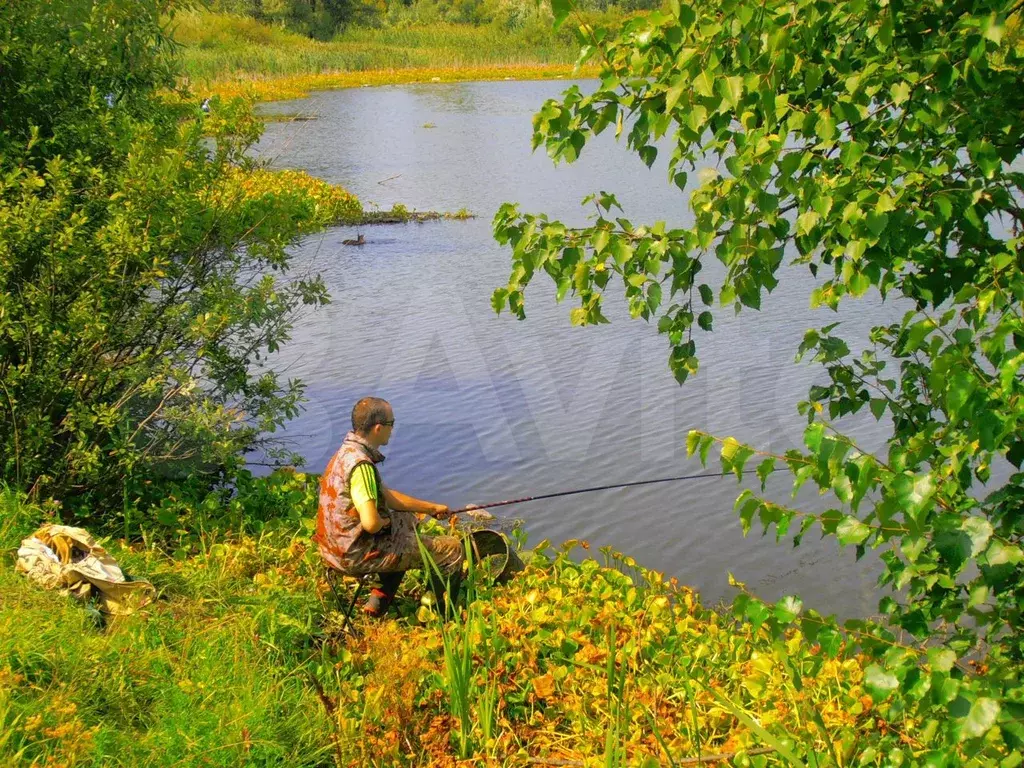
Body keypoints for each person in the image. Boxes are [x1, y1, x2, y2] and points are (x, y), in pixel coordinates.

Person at [313, 396, 465, 617]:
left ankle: (375, 606)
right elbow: (371, 523)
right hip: (354, 556)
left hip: (333, 549)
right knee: (452, 549)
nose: (392, 430)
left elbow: (387, 496)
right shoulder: (362, 466)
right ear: (377, 428)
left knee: (407, 522)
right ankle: (436, 616)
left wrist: (431, 508)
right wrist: (386, 522)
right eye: (391, 424)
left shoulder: (346, 454)